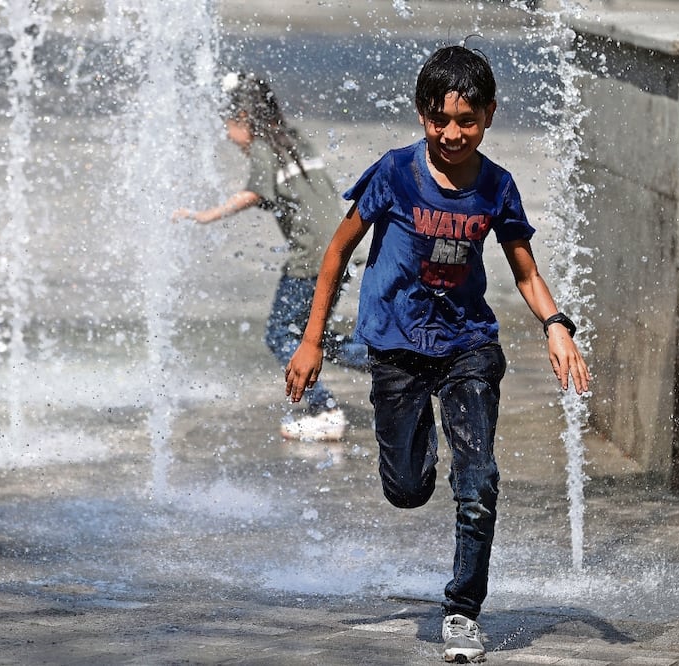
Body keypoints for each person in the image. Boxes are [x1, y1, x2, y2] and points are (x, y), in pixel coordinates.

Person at [284, 45, 590, 663]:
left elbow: (525, 273)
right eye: (439, 119)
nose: (452, 134)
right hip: (396, 345)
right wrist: (312, 339)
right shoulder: (395, 173)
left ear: (490, 115)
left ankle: (462, 610)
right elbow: (338, 251)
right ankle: (417, 453)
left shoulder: (498, 187)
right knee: (407, 488)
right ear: (422, 115)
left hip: (467, 345)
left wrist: (556, 324)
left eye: (466, 121)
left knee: (479, 481)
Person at [173, 72, 367, 442]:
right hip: (339, 246)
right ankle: (387, 364)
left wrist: (206, 215)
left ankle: (324, 409)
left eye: (229, 126)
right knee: (314, 333)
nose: (229, 137)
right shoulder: (293, 138)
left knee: (281, 333)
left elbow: (253, 191)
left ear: (244, 118)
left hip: (310, 255)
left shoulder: (263, 146)